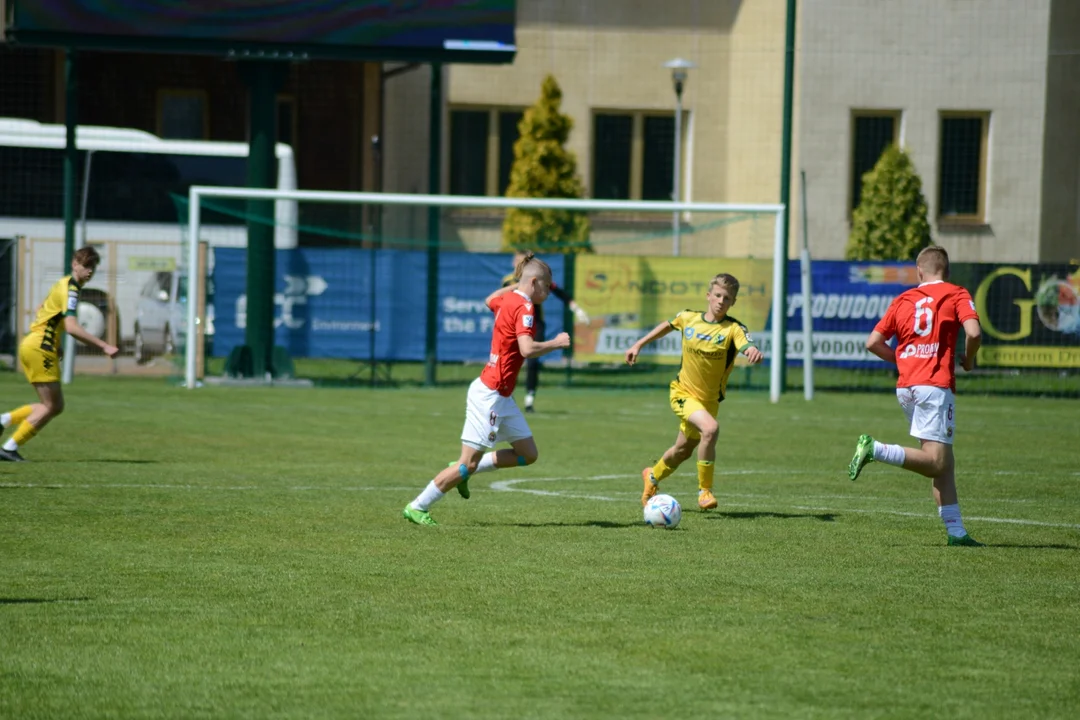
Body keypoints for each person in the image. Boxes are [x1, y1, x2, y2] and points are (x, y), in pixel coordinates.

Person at [403, 252, 571, 526]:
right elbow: (527, 349)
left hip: (501, 395)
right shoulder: (525, 307)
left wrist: (518, 285)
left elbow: (488, 299)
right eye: (547, 286)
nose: (549, 292)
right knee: (465, 464)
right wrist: (556, 342)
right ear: (534, 282)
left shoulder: (508, 298)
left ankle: (464, 471)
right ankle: (417, 506)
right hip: (490, 396)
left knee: (528, 454)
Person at [847, 245, 984, 547]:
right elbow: (974, 333)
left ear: (920, 271)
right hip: (934, 385)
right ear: (946, 271)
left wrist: (903, 359)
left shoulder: (904, 299)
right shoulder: (956, 293)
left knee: (944, 462)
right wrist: (970, 361)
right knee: (936, 462)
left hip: (907, 387)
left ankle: (957, 532)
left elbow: (873, 342)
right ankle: (876, 449)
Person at [626, 272, 764, 511]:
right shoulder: (688, 318)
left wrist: (752, 351)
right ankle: (705, 491)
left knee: (682, 451)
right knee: (710, 429)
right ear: (708, 296)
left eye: (728, 298)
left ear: (733, 302)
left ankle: (652, 476)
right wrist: (639, 344)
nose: (722, 301)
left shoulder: (734, 329)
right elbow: (666, 326)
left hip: (709, 402)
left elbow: (746, 344)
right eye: (718, 295)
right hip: (682, 394)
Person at [0, 246, 120, 462]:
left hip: (33, 344)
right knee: (53, 406)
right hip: (40, 348)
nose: (90, 271)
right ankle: (9, 447)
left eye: (93, 266)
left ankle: (4, 423)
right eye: (85, 266)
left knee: (49, 405)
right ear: (75, 264)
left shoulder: (62, 284)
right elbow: (72, 327)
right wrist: (104, 346)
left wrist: (55, 341)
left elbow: (41, 309)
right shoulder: (71, 290)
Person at [502, 250, 589, 413]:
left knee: (533, 360)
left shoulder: (537, 281)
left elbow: (558, 292)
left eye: (524, 261)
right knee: (510, 360)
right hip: (514, 325)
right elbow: (499, 301)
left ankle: (529, 399)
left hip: (534, 324)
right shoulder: (508, 281)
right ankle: (507, 395)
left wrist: (576, 309)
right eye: (517, 260)